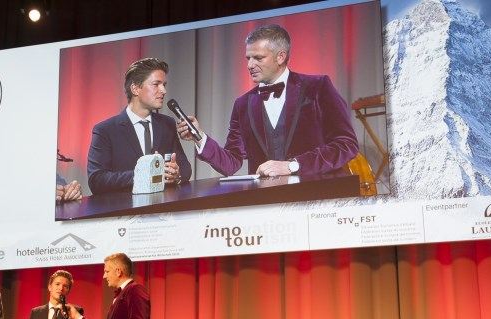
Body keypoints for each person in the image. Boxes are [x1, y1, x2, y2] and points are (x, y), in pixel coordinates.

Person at [177, 24, 359, 178]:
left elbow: (346, 144)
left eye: (258, 58)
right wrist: (199, 137)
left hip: (318, 196)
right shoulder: (243, 104)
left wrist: (293, 166)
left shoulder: (318, 87)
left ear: (280, 56)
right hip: (267, 202)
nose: (250, 65)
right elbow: (230, 163)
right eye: (248, 58)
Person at [87, 58, 192, 194]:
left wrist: (177, 174)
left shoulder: (167, 124)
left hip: (164, 204)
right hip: (125, 206)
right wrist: (143, 174)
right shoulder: (105, 130)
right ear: (135, 89)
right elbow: (96, 180)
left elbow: (185, 168)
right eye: (156, 84)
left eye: (164, 85)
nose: (163, 90)